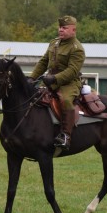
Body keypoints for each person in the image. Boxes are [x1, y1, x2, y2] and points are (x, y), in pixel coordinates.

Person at [29, 15, 85, 150]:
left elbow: (72, 71)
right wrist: (32, 78)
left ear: (73, 30)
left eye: (64, 28)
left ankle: (66, 135)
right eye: (60, 27)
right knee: (33, 97)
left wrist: (54, 79)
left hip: (69, 83)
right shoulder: (53, 43)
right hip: (50, 80)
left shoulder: (77, 48)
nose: (61, 30)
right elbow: (43, 62)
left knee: (65, 101)